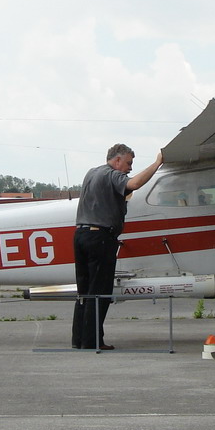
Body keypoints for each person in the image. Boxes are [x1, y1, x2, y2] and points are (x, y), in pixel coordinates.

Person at [72, 144, 163, 350]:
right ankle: (93, 340)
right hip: (100, 238)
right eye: (129, 163)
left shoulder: (92, 173)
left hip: (81, 235)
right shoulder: (112, 175)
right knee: (100, 290)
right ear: (118, 160)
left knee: (84, 291)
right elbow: (134, 184)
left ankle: (79, 339)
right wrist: (157, 163)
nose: (130, 167)